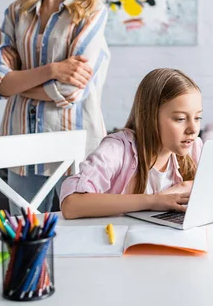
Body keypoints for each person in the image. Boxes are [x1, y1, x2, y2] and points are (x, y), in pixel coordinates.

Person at [0, 0, 110, 213]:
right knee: (26, 239)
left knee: (78, 240)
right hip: (20, 145)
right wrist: (52, 70)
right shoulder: (16, 13)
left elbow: (69, 92)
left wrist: (18, 84)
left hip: (75, 147)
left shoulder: (92, 12)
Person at [60, 68, 204, 219]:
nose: (193, 129)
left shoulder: (194, 147)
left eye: (197, 118)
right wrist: (153, 201)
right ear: (151, 117)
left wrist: (181, 188)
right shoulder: (117, 149)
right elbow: (71, 204)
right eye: (180, 119)